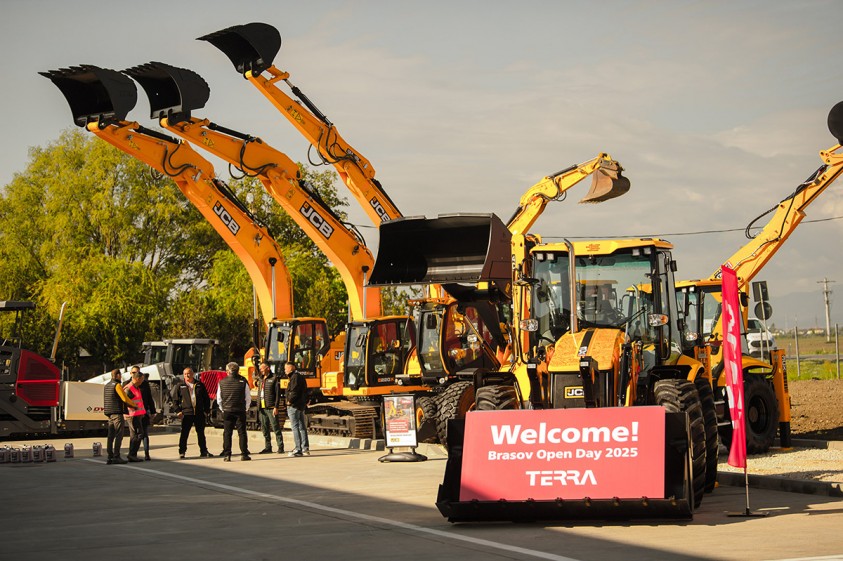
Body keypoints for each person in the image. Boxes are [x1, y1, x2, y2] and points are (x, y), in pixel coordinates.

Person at [171, 367, 213, 459]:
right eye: (185, 374)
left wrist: (206, 411)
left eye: (189, 373)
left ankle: (203, 451)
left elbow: (206, 399)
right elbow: (175, 401)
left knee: (201, 433)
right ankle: (182, 452)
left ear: (193, 374)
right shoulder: (180, 385)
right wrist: (178, 411)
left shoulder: (199, 385)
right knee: (184, 433)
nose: (187, 375)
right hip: (187, 414)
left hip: (199, 413)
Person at [217, 361, 251, 461]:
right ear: (238, 371)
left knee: (227, 433)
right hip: (240, 410)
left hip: (227, 410)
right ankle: (244, 454)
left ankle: (227, 455)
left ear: (228, 371)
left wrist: (223, 408)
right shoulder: (243, 382)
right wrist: (246, 408)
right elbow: (248, 397)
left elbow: (219, 398)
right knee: (242, 432)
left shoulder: (222, 382)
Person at [103, 369, 137, 465]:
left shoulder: (107, 385)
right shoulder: (117, 385)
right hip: (117, 413)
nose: (121, 377)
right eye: (120, 375)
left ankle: (110, 457)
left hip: (109, 413)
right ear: (117, 375)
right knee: (119, 435)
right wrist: (134, 405)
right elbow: (124, 398)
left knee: (110, 436)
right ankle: (116, 456)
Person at [256, 362, 284, 454]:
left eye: (262, 368)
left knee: (276, 427)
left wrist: (276, 407)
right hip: (262, 408)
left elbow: (277, 394)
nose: (260, 370)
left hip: (271, 407)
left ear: (267, 368)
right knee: (265, 428)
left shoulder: (274, 378)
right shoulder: (260, 379)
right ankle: (268, 447)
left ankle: (280, 447)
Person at [285, 361, 309, 457]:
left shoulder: (295, 377)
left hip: (294, 406)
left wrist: (289, 401)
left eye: (286, 368)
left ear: (291, 368)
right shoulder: (299, 376)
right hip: (300, 405)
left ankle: (298, 449)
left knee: (295, 427)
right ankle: (305, 448)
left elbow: (294, 391)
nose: (285, 371)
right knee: (302, 427)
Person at [123, 369, 147, 463]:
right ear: (137, 379)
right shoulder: (129, 388)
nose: (142, 381)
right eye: (142, 379)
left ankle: (132, 455)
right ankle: (132, 454)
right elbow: (125, 401)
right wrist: (133, 407)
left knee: (134, 436)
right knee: (139, 434)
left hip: (137, 415)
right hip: (132, 415)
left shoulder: (136, 387)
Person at [137, 371, 156, 461]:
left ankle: (146, 453)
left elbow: (149, 398)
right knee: (135, 435)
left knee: (144, 434)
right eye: (133, 372)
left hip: (143, 413)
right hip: (134, 414)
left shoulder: (145, 384)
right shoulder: (128, 384)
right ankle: (133, 453)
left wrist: (153, 411)